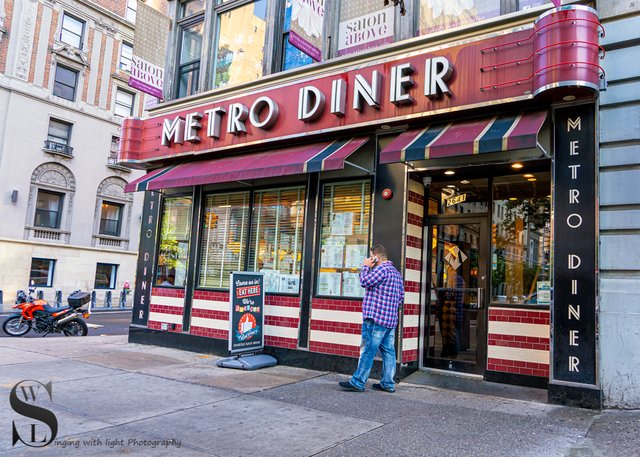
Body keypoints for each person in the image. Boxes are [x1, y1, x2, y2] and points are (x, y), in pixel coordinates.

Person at [339, 244, 404, 393]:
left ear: (376, 257)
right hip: (390, 320)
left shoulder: (381, 269)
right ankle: (388, 383)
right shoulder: (396, 273)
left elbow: (364, 282)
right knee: (389, 351)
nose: (369, 259)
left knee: (368, 350)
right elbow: (400, 298)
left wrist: (366, 266)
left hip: (375, 319)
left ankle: (357, 382)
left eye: (370, 257)